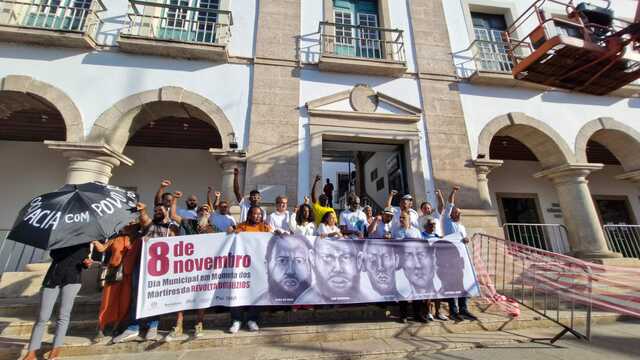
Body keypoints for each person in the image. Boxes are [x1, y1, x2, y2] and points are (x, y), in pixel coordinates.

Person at [113, 204, 179, 343]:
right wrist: (142, 210)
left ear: (166, 212)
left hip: (160, 269)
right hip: (142, 266)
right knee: (137, 295)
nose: (157, 212)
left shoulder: (171, 229)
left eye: (160, 210)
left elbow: (176, 243)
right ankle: (133, 327)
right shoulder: (150, 225)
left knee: (156, 295)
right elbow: (144, 218)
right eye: (155, 211)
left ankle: (153, 326)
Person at [22, 243, 93, 360]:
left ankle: (55, 351)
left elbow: (83, 261)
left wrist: (86, 263)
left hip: (72, 279)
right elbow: (54, 254)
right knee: (42, 317)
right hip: (52, 279)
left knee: (63, 316)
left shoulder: (85, 243)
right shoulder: (60, 240)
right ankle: (31, 352)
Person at [167, 192, 218, 340]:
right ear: (197, 213)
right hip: (188, 267)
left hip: (204, 268)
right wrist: (175, 199)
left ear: (210, 214)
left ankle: (199, 324)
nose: (204, 211)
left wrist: (231, 231)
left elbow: (226, 239)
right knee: (182, 293)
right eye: (201, 210)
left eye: (207, 210)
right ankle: (179, 324)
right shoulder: (189, 223)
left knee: (201, 296)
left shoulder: (214, 229)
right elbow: (173, 215)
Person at [91, 218, 144, 342]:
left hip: (128, 276)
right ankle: (101, 326)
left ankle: (117, 326)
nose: (129, 224)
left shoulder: (139, 239)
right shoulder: (116, 238)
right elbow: (102, 248)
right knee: (108, 301)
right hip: (113, 274)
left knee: (124, 302)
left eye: (132, 223)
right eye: (127, 223)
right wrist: (94, 240)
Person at [228, 206, 273, 333]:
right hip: (242, 266)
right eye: (255, 214)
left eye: (259, 214)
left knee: (257, 293)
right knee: (237, 291)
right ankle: (236, 320)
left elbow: (272, 238)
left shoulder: (265, 227)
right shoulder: (242, 226)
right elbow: (231, 237)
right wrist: (231, 231)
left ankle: (252, 320)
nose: (257, 216)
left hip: (258, 266)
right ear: (249, 215)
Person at [441, 186, 477, 322]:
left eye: (459, 213)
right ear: (450, 213)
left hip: (462, 259)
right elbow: (450, 202)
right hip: (449, 258)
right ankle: (453, 310)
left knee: (464, 282)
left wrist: (466, 239)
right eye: (456, 212)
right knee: (452, 283)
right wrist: (453, 192)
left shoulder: (461, 226)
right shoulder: (446, 221)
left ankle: (464, 309)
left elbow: (464, 240)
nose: (458, 214)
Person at [294, 238, 365, 304]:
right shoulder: (305, 302)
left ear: (359, 260)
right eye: (327, 257)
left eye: (346, 257)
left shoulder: (372, 297)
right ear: (312, 258)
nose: (338, 268)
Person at [255, 234, 313, 305]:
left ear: (310, 266)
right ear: (266, 266)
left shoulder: (321, 301)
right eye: (282, 261)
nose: (290, 271)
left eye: (299, 261)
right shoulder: (259, 305)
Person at [421, 216, 447, 321]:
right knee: (428, 290)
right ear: (425, 226)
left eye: (434, 224)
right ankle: (428, 312)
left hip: (437, 267)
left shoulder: (438, 237)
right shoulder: (421, 236)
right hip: (426, 267)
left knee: (438, 290)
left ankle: (438, 312)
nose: (433, 226)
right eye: (431, 224)